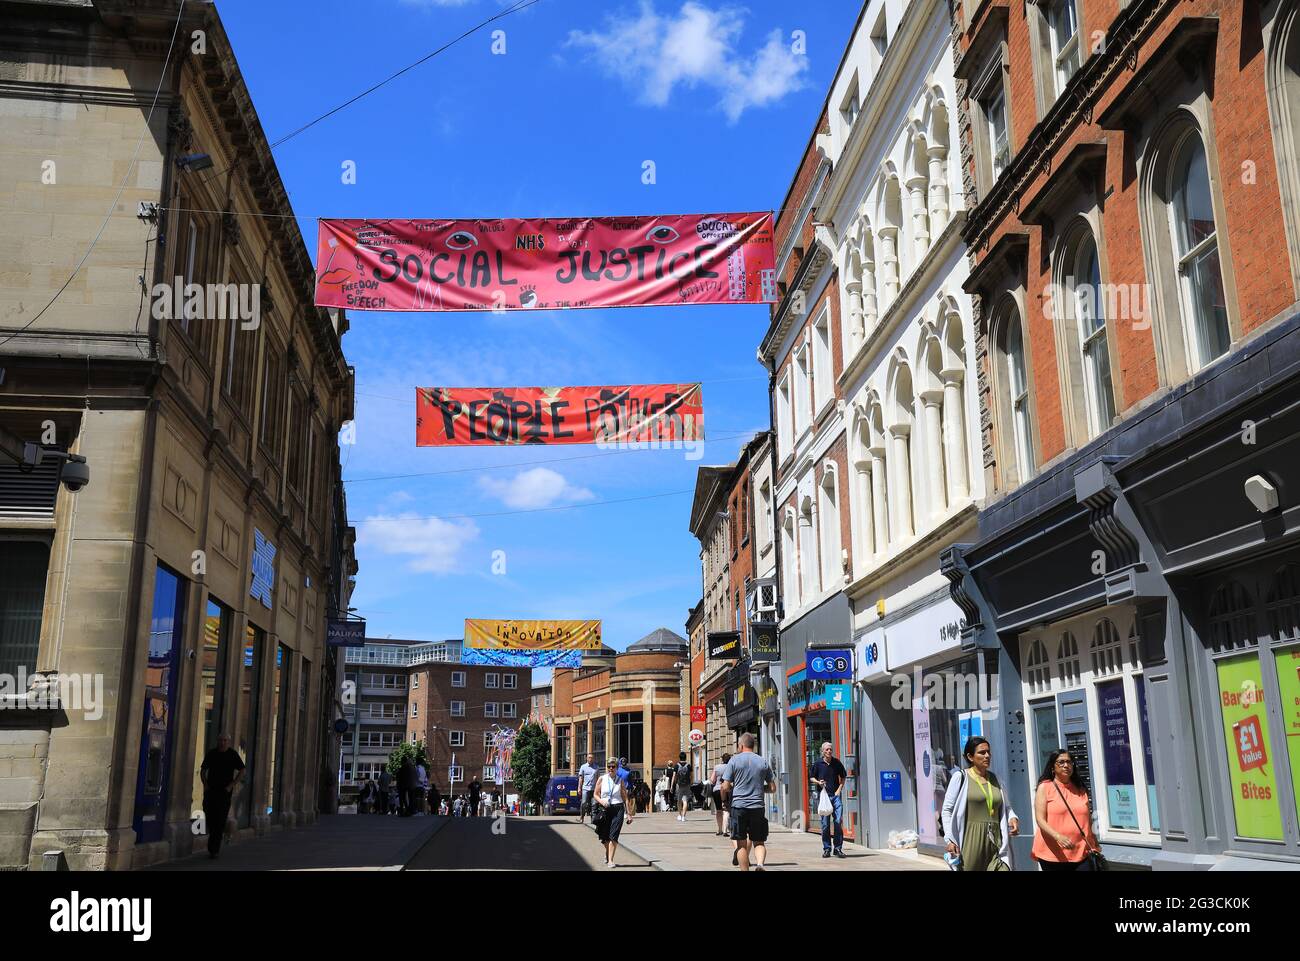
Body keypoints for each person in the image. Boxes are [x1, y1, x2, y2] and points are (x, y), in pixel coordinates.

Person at [941, 736, 1019, 871]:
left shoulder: (996, 779)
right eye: (982, 753)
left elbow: (1006, 806)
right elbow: (947, 809)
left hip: (996, 840)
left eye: (988, 752)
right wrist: (950, 839)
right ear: (970, 757)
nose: (987, 756)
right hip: (970, 840)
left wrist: (1012, 817)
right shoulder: (960, 777)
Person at [1031, 749, 1100, 871]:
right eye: (1061, 762)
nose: (1066, 765)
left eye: (1069, 762)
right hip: (1053, 853)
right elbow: (1040, 820)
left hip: (1081, 852)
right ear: (1053, 767)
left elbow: (1087, 820)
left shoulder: (1080, 789)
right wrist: (1058, 836)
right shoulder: (1045, 787)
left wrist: (1094, 843)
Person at [720, 733, 774, 871]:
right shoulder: (763, 761)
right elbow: (773, 788)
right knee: (759, 841)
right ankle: (760, 864)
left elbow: (725, 786)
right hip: (757, 806)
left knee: (741, 845)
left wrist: (734, 787)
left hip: (739, 807)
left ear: (741, 745)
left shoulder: (734, 761)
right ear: (753, 745)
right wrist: (760, 789)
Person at [198, 733, 244, 859]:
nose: (222, 742)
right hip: (211, 791)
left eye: (225, 740)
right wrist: (205, 784)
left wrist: (232, 785)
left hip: (224, 792)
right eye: (220, 740)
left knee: (220, 820)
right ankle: (214, 842)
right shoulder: (212, 754)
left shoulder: (232, 754)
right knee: (210, 817)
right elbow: (203, 770)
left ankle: (214, 850)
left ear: (228, 742)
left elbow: (242, 769)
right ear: (217, 741)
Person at [809, 741, 848, 859]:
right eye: (827, 749)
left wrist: (839, 790)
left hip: (835, 797)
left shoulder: (837, 763)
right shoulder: (818, 763)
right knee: (825, 824)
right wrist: (818, 782)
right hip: (824, 797)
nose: (829, 751)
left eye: (830, 749)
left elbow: (843, 777)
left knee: (837, 822)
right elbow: (811, 777)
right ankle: (827, 849)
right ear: (823, 751)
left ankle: (838, 848)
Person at [593, 757, 633, 867]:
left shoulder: (620, 781)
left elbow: (625, 798)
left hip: (618, 809)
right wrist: (601, 801)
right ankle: (607, 852)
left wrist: (629, 814)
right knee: (604, 837)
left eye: (613, 767)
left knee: (613, 835)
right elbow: (595, 794)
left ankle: (610, 860)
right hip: (605, 809)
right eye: (609, 766)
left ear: (617, 767)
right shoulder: (602, 779)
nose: (611, 768)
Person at [709, 753, 731, 836]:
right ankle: (725, 830)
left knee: (718, 810)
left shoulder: (717, 767)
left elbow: (712, 780)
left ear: (722, 759)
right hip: (727, 790)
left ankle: (719, 830)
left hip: (717, 790)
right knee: (726, 810)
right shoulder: (731, 767)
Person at [577, 754, 599, 826]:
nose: (590, 759)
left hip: (594, 789)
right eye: (589, 758)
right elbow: (581, 778)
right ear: (587, 758)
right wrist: (579, 788)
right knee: (583, 803)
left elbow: (599, 779)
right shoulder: (583, 767)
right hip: (585, 788)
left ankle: (593, 819)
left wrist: (599, 789)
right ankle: (582, 816)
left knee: (594, 804)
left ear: (593, 759)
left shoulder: (596, 767)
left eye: (592, 758)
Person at [671, 752, 692, 822]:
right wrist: (690, 783)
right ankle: (684, 816)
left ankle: (680, 815)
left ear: (679, 757)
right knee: (685, 801)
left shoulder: (676, 766)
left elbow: (674, 776)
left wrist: (671, 786)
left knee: (679, 801)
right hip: (687, 785)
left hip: (679, 785)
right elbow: (691, 776)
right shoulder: (688, 765)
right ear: (685, 757)